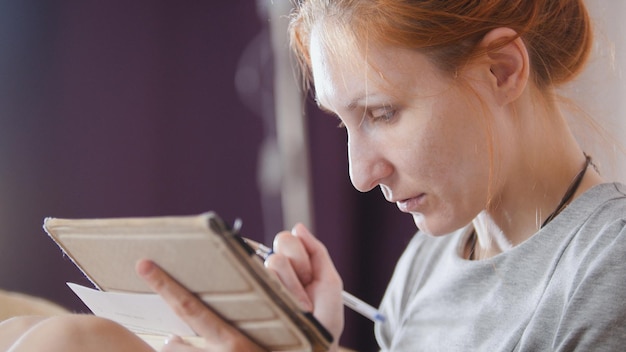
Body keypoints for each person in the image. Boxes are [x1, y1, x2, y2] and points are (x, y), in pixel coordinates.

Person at [2, 0, 626, 350]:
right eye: (344, 123)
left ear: (502, 71)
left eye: (382, 113)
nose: (359, 174)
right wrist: (309, 342)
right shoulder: (434, 257)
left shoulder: (607, 267)